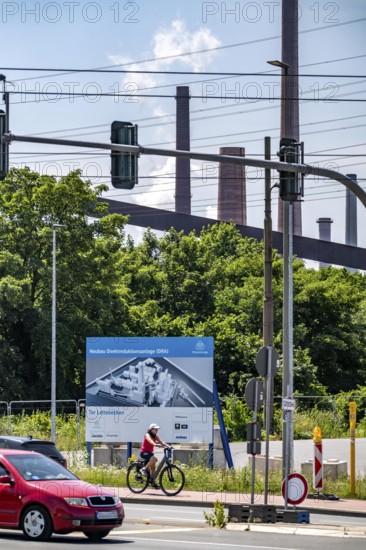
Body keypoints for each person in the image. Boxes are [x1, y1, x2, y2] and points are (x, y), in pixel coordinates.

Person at [140, 423, 171, 488]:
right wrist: (155, 444)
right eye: (155, 429)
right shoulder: (147, 435)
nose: (157, 430)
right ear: (151, 429)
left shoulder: (155, 436)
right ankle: (143, 469)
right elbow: (149, 440)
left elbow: (161, 442)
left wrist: (168, 446)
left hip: (150, 453)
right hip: (144, 453)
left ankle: (153, 482)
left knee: (153, 468)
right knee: (155, 459)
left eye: (157, 429)